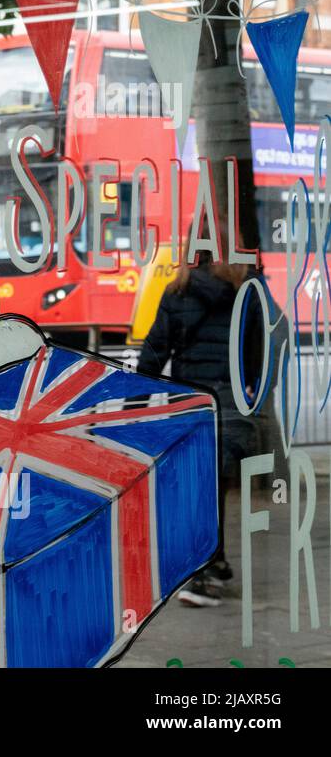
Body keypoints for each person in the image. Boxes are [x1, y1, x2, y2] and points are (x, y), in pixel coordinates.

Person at [136, 225, 264, 608]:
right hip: (230, 400)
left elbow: (155, 351)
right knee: (215, 489)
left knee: (197, 488)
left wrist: (142, 400)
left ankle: (209, 562)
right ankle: (203, 570)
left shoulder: (177, 291)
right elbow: (258, 348)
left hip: (192, 401)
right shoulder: (248, 291)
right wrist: (252, 389)